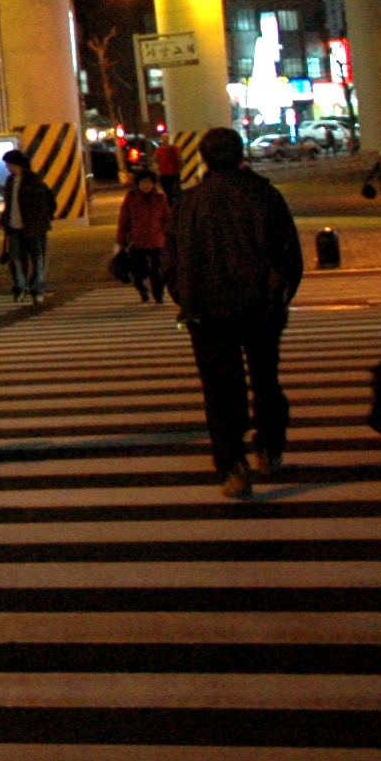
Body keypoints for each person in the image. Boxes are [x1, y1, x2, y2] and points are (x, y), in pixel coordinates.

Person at [158, 127, 304, 499]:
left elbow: (170, 262)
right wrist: (279, 298)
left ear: (203, 158)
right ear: (241, 155)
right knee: (266, 381)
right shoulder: (264, 195)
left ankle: (232, 465)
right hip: (260, 308)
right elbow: (290, 257)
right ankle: (269, 447)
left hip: (205, 313)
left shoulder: (187, 203)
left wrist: (185, 298)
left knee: (221, 391)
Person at [0, 149, 57, 299]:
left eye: (9, 164)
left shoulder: (33, 180)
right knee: (15, 258)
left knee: (37, 258)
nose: (8, 168)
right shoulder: (10, 181)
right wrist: (5, 218)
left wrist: (43, 218)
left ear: (18, 164)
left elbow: (48, 201)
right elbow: (9, 204)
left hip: (33, 227)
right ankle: (20, 286)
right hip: (14, 227)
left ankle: (37, 288)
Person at [115, 166, 175, 302]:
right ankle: (142, 289)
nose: (146, 186)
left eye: (149, 183)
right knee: (139, 271)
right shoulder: (131, 198)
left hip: (157, 241)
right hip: (137, 242)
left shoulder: (160, 199)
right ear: (138, 184)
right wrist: (121, 238)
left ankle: (158, 294)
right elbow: (124, 219)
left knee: (158, 271)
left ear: (154, 184)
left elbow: (167, 219)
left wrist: (170, 238)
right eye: (143, 183)